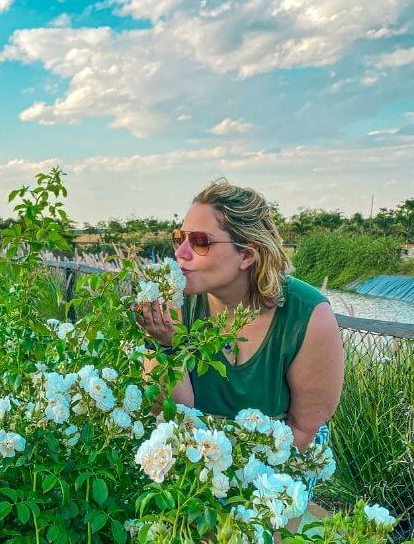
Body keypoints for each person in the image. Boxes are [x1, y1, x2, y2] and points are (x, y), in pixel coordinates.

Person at [138, 178, 344, 522]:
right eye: (180, 238)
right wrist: (166, 345)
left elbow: (303, 430)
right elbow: (170, 412)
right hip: (200, 446)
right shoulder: (175, 305)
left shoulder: (307, 315)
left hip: (282, 450)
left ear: (246, 254)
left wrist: (244, 497)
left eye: (200, 242)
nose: (180, 253)